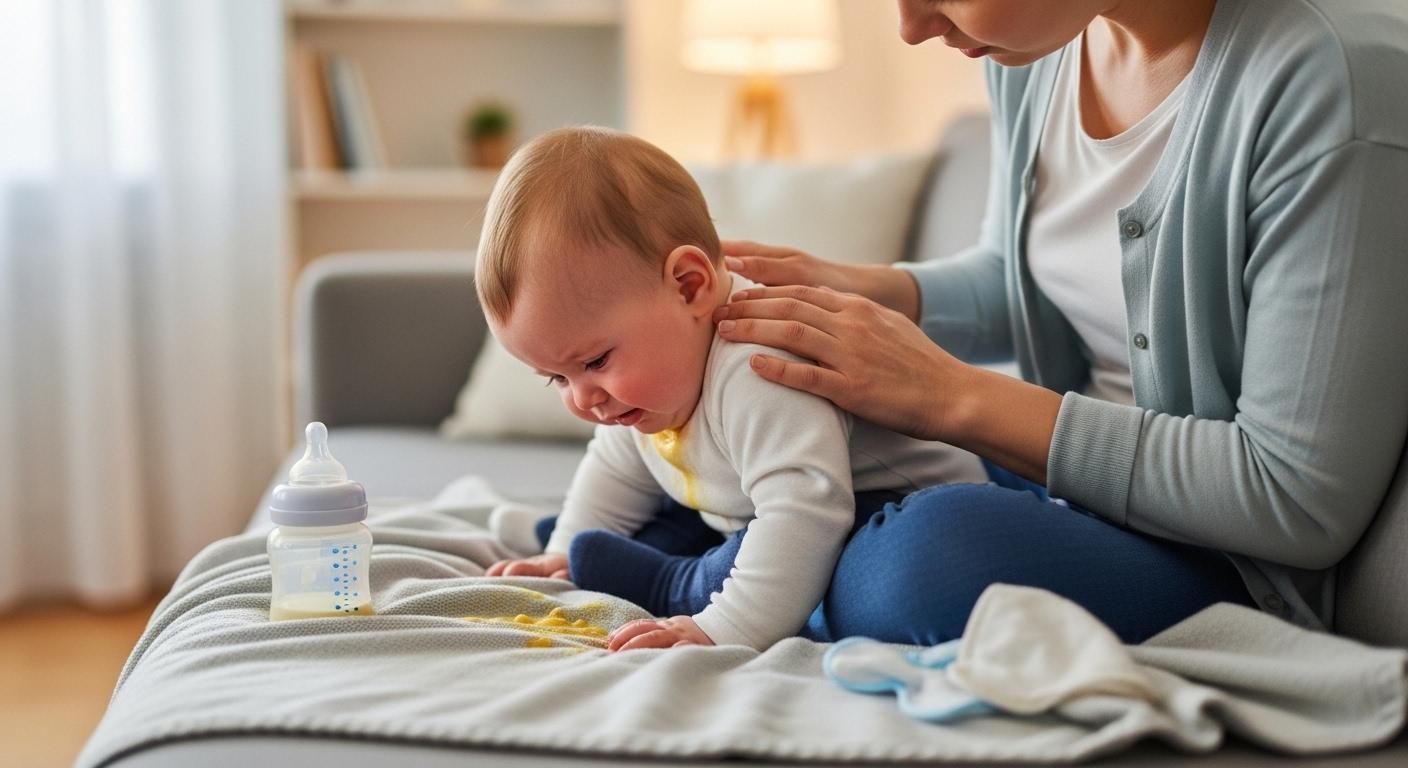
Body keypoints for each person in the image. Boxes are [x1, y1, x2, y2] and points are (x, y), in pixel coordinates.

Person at [709, 0, 1408, 645]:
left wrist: (950, 396)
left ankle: (728, 570)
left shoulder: (1333, 84)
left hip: (1221, 556)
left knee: (921, 560)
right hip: (1055, 488)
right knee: (747, 439)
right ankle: (746, 564)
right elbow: (1032, 284)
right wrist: (862, 293)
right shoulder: (1042, 51)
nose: (913, 26)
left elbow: (1292, 497)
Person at [476, 126, 987, 651]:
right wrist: (563, 553)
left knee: (804, 552)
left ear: (689, 286)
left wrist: (721, 628)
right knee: (666, 504)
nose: (583, 398)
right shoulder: (650, 380)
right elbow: (616, 466)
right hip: (757, 502)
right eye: (558, 378)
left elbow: (802, 514)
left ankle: (677, 580)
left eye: (595, 361)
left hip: (883, 508)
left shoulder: (760, 366)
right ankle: (598, 548)